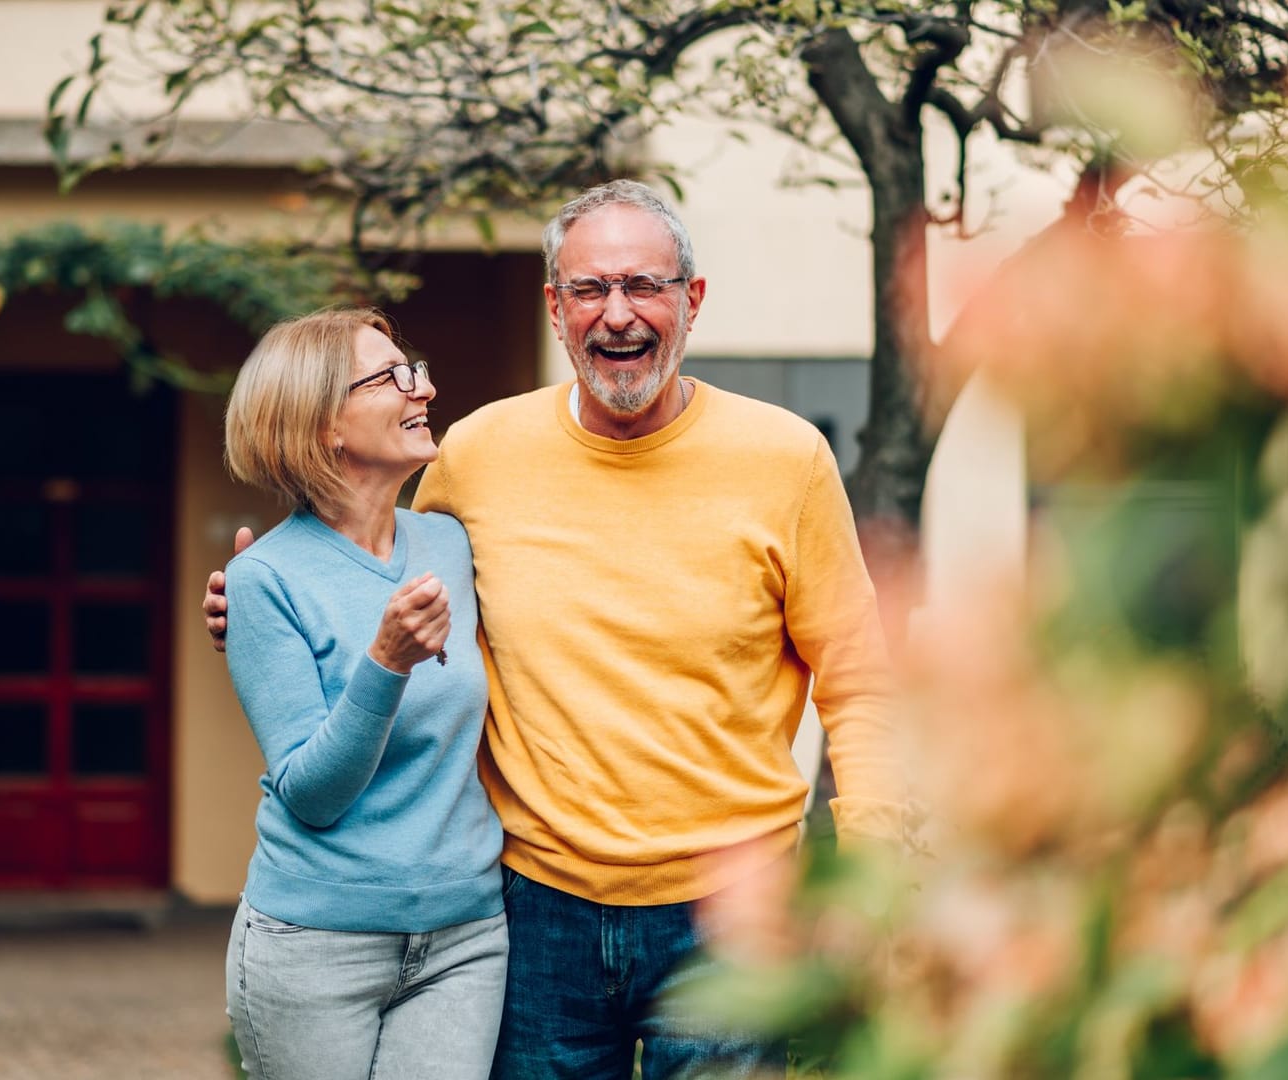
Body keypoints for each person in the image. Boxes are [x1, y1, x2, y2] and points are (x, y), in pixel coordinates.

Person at [208, 181, 899, 1079]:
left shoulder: (786, 459)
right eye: (589, 289)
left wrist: (877, 874)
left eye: (644, 286)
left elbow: (860, 679)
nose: (617, 314)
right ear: (555, 307)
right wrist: (257, 607)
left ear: (691, 300)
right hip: (533, 914)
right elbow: (371, 571)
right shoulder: (476, 456)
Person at [216, 306, 508, 1080]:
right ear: (322, 428)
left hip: (465, 935)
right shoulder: (264, 580)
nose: (427, 387)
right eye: (392, 377)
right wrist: (385, 662)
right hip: (315, 944)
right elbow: (312, 795)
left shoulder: (451, 541)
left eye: (415, 369)